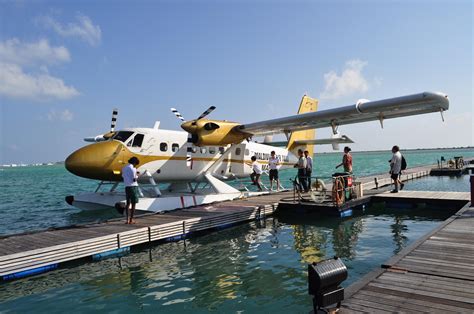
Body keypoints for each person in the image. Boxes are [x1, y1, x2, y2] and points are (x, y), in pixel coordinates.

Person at [122, 157, 140, 224]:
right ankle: (131, 220)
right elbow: (134, 179)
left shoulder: (124, 168)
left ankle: (127, 219)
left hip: (127, 187)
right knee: (133, 204)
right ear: (135, 163)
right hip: (133, 187)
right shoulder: (133, 169)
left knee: (128, 203)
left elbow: (123, 176)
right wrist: (137, 175)